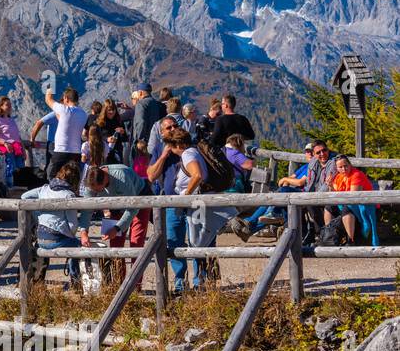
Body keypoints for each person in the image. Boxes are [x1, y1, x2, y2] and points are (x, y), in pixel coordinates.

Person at [153, 126, 236, 294]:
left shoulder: (187, 154)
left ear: (177, 145)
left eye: (171, 146)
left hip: (192, 203)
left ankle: (199, 280)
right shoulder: (194, 151)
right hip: (195, 203)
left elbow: (197, 175)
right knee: (198, 239)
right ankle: (200, 281)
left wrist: (186, 196)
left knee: (197, 240)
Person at [22, 160, 83, 289]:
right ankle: (76, 282)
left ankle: (38, 282)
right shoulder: (69, 195)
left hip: (41, 238)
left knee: (42, 247)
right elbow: (73, 227)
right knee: (77, 245)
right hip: (57, 239)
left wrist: (38, 215)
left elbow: (24, 197)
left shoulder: (43, 189)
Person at [235, 143, 313, 238]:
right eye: (308, 152)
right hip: (291, 192)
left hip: (301, 195)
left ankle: (251, 223)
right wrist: (286, 181)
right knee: (273, 201)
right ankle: (251, 227)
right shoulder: (305, 167)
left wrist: (285, 180)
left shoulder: (312, 167)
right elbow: (291, 178)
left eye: (312, 152)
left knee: (275, 202)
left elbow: (300, 182)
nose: (310, 154)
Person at [79, 164, 150, 249]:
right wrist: (83, 232)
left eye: (97, 190)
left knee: (136, 241)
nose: (95, 193)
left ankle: (137, 262)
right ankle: (118, 262)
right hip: (116, 204)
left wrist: (117, 228)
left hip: (139, 198)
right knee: (115, 243)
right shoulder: (91, 184)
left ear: (105, 179)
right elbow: (87, 209)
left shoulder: (121, 177)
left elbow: (133, 208)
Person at [331, 155, 380, 246]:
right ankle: (331, 236)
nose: (344, 169)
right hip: (348, 203)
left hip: (364, 204)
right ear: (337, 168)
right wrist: (330, 185)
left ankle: (351, 240)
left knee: (346, 209)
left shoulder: (356, 174)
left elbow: (353, 196)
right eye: (340, 167)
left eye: (345, 166)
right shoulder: (338, 177)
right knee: (329, 207)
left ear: (350, 165)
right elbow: (334, 193)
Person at [45, 86, 88, 177]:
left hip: (61, 151)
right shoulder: (83, 114)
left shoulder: (64, 109)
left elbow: (48, 99)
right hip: (76, 153)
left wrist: (50, 84)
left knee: (51, 175)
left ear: (66, 98)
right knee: (71, 178)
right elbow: (64, 120)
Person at [0, 96, 25, 187]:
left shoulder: (11, 120)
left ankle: (18, 190)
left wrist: (23, 149)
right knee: (9, 170)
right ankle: (9, 189)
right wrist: (4, 142)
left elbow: (17, 137)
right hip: (6, 149)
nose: (10, 106)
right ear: (0, 106)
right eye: (7, 105)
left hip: (17, 149)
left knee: (20, 169)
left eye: (10, 104)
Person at [131, 82, 166, 148]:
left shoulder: (141, 104)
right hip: (156, 140)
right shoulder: (158, 104)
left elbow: (141, 122)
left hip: (144, 142)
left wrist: (139, 140)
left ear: (140, 93)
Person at [30, 110, 58, 179]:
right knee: (51, 166)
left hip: (61, 144)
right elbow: (39, 123)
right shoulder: (55, 114)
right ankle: (48, 182)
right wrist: (32, 139)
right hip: (53, 144)